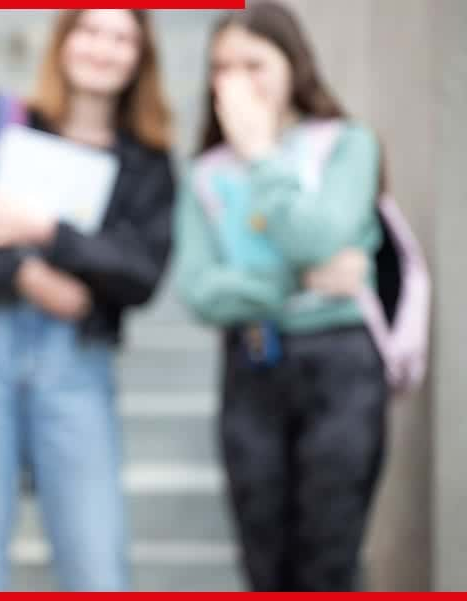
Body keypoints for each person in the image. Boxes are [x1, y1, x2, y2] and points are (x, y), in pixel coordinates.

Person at [0, 9, 175, 591]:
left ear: (140, 56)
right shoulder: (3, 118)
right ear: (64, 41)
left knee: (97, 566)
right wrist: (28, 276)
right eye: (91, 30)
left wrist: (47, 230)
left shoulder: (147, 160)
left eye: (121, 37)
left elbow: (143, 273)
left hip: (75, 363)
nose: (103, 48)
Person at [173, 1, 388, 590]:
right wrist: (295, 281)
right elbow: (200, 289)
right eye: (222, 68)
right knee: (263, 556)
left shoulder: (346, 143)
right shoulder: (206, 172)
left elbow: (322, 235)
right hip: (252, 363)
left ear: (292, 63)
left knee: (330, 552)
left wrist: (263, 154)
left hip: (340, 362)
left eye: (253, 64)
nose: (237, 82)